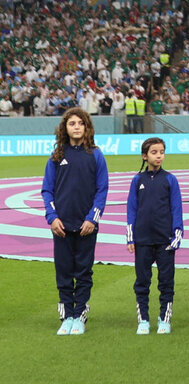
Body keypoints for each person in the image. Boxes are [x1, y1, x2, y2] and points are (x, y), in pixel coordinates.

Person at [41, 107, 108, 336]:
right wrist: (52, 218)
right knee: (63, 272)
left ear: (87, 127)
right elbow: (47, 190)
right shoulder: (56, 156)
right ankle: (67, 315)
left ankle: (80, 315)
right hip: (61, 226)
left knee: (84, 272)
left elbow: (102, 190)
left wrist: (92, 218)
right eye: (72, 123)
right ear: (65, 128)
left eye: (81, 123)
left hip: (87, 227)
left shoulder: (96, 155)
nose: (77, 126)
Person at [125, 137, 184, 335]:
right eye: (154, 152)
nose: (159, 156)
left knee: (166, 282)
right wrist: (131, 237)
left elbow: (176, 208)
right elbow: (131, 209)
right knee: (142, 282)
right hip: (142, 240)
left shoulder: (170, 179)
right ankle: (143, 319)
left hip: (165, 241)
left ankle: (164, 319)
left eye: (161, 152)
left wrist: (177, 234)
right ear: (145, 156)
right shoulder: (137, 180)